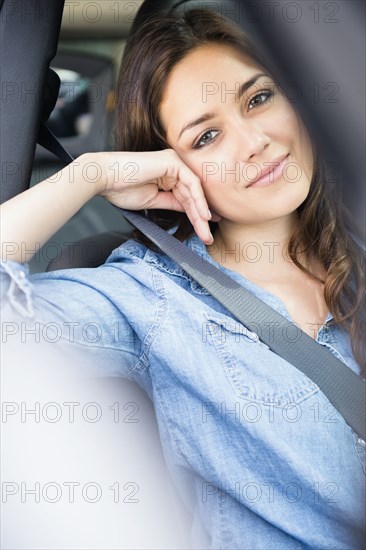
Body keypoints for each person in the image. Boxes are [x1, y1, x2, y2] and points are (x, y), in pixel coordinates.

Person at [1, 8, 365, 549]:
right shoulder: (149, 298)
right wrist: (92, 174)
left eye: (258, 98)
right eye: (207, 137)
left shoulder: (355, 237)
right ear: (167, 163)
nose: (253, 141)